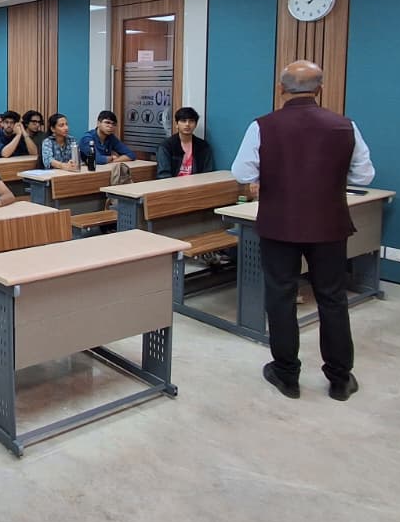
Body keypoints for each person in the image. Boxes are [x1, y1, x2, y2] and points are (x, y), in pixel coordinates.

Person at [231, 60, 375, 403]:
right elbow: (364, 176)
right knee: (332, 298)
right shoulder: (345, 126)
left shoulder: (262, 126)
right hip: (329, 225)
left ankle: (286, 374)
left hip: (279, 225)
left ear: (281, 89)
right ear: (320, 89)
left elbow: (242, 173)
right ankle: (340, 378)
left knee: (281, 297)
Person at [155, 106, 215, 178]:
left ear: (195, 125)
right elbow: (163, 175)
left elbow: (207, 173)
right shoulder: (166, 146)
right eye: (183, 121)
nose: (187, 124)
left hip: (197, 183)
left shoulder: (203, 146)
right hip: (173, 184)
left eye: (191, 121)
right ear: (177, 124)